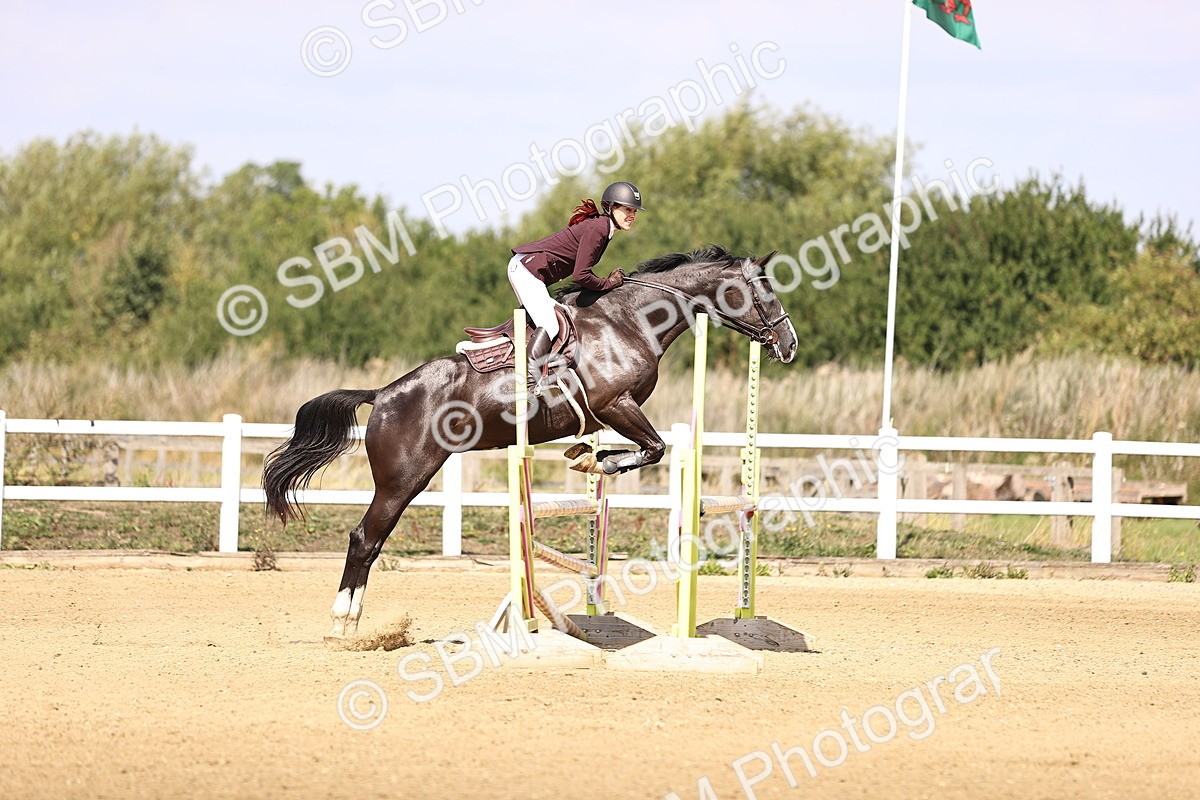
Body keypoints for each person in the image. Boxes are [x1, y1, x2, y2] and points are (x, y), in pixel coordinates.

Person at [507, 180, 644, 391]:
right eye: (627, 209)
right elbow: (581, 276)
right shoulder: (599, 228)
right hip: (526, 270)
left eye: (634, 211)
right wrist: (610, 283)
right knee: (551, 325)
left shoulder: (603, 229)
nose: (632, 215)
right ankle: (529, 381)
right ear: (611, 207)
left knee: (552, 318)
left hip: (528, 271)